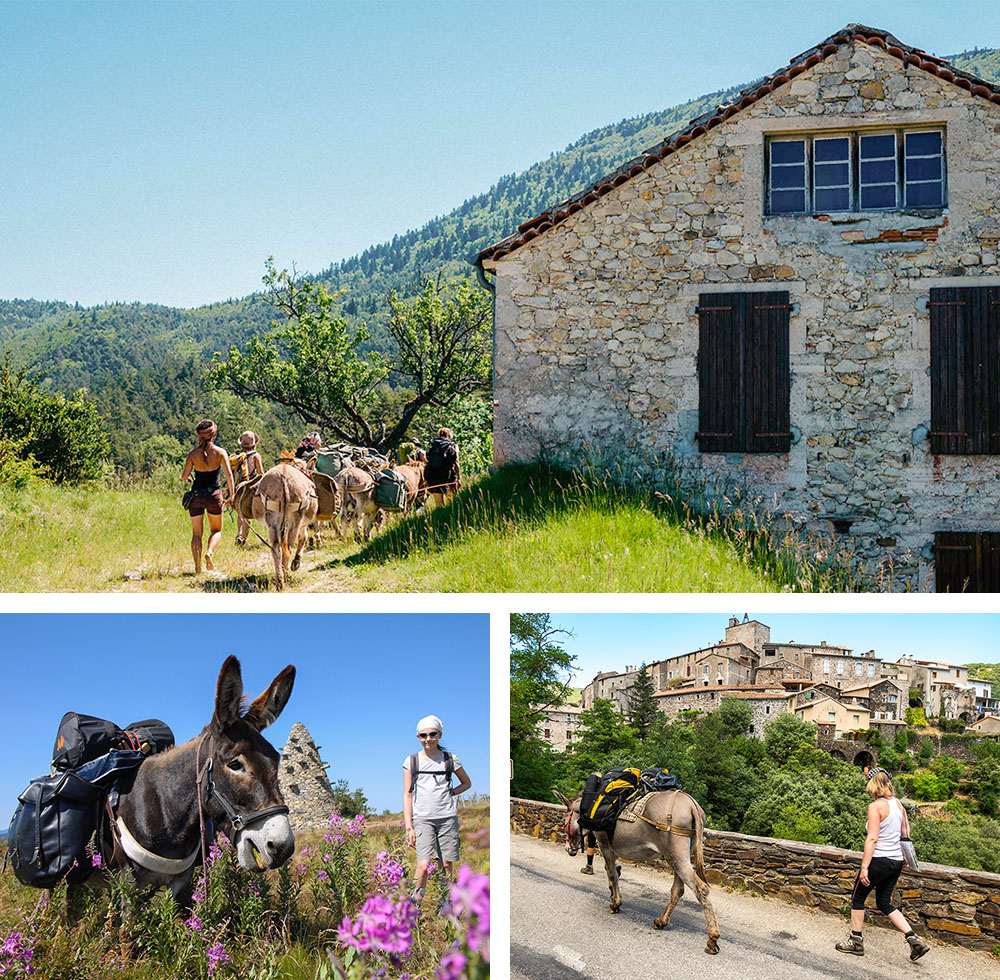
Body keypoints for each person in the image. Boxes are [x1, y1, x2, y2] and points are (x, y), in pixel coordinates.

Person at [836, 767, 929, 960]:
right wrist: (904, 857)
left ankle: (855, 941)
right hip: (895, 862)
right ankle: (914, 940)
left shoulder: (875, 807)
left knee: (857, 899)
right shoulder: (899, 805)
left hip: (879, 860)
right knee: (885, 903)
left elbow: (872, 839)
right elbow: (906, 835)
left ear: (873, 784)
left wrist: (864, 868)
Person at [403, 715, 471, 906]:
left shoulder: (450, 760)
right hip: (422, 818)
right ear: (418, 737)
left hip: (447, 817)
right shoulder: (411, 762)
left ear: (439, 735)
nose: (428, 739)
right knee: (423, 865)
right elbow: (407, 795)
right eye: (423, 735)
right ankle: (413, 906)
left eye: (432, 734)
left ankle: (445, 905)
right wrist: (409, 826)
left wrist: (450, 792)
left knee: (446, 864)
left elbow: (466, 783)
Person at [181, 419, 235, 574]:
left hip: (196, 495)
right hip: (214, 495)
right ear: (214, 434)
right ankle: (209, 552)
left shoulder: (193, 454)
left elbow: (184, 476)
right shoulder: (220, 453)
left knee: (197, 534)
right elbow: (229, 475)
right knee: (216, 530)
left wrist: (189, 476)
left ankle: (197, 568)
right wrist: (232, 495)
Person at [231, 431, 265, 546]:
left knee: (240, 513)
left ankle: (239, 534)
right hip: (250, 487)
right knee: (247, 514)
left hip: (237, 488)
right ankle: (243, 538)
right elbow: (261, 474)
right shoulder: (256, 455)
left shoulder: (237, 456)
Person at [424, 427, 460, 507]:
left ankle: (439, 518)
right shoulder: (452, 446)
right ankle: (451, 518)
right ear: (449, 436)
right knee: (452, 504)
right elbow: (456, 463)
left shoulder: (433, 446)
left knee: (439, 504)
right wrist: (459, 478)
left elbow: (427, 459)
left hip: (434, 477)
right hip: (448, 477)